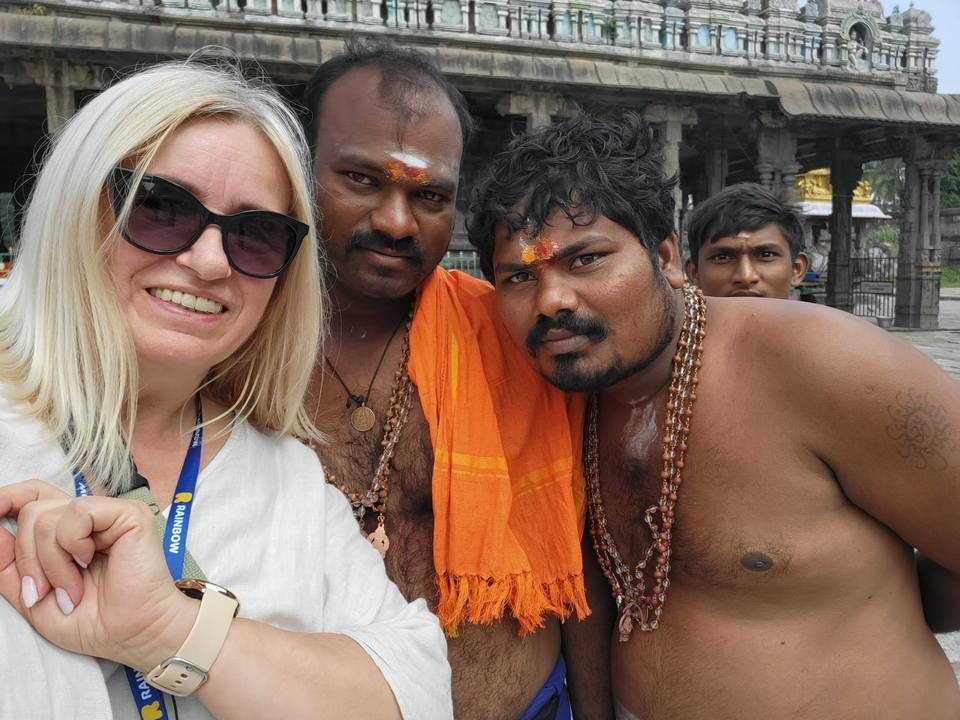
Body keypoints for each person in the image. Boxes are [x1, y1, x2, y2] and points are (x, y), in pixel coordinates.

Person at [467, 110, 960, 719]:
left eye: (586, 259)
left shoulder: (825, 365)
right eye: (518, 276)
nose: (552, 300)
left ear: (668, 257)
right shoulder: (559, 402)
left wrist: (877, 605)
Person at [0, 61, 452, 719]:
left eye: (256, 234)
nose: (210, 262)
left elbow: (417, 693)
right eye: (160, 207)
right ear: (76, 205)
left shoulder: (288, 477)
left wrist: (171, 630)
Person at [299, 40, 605, 720]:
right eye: (361, 179)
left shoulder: (515, 335)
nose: (396, 221)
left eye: (430, 195)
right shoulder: (230, 352)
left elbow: (574, 547)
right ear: (297, 167)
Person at [684, 183, 809, 300]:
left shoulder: (824, 322)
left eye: (766, 255)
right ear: (694, 273)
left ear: (796, 270)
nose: (746, 277)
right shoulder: (674, 324)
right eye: (722, 257)